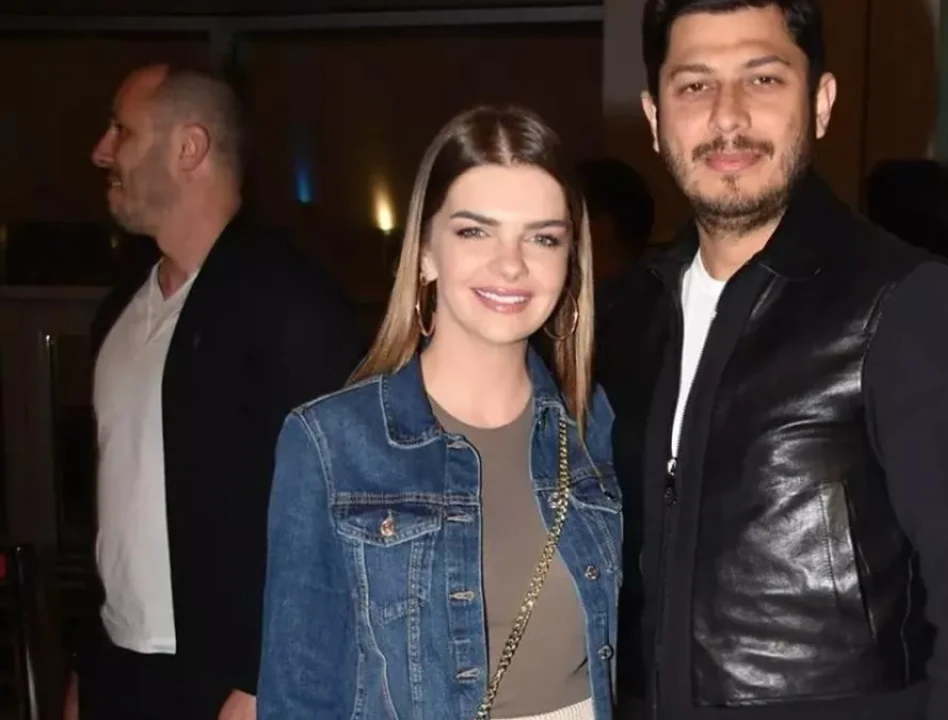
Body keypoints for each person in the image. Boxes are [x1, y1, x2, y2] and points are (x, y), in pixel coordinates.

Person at [598, 2, 948, 720]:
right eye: (695, 85)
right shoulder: (629, 312)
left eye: (763, 79)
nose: (727, 116)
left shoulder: (898, 302)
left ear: (820, 102)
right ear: (654, 116)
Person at [258, 105, 620, 720]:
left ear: (570, 264)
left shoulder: (592, 423)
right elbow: (298, 696)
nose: (512, 264)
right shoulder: (331, 443)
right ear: (425, 252)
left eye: (543, 238)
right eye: (475, 232)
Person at [69, 64, 365, 720]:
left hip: (233, 683)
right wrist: (87, 665)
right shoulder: (120, 311)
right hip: (119, 672)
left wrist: (264, 678)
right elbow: (116, 510)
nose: (101, 151)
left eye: (122, 130)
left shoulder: (291, 303)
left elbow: (338, 514)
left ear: (188, 147)